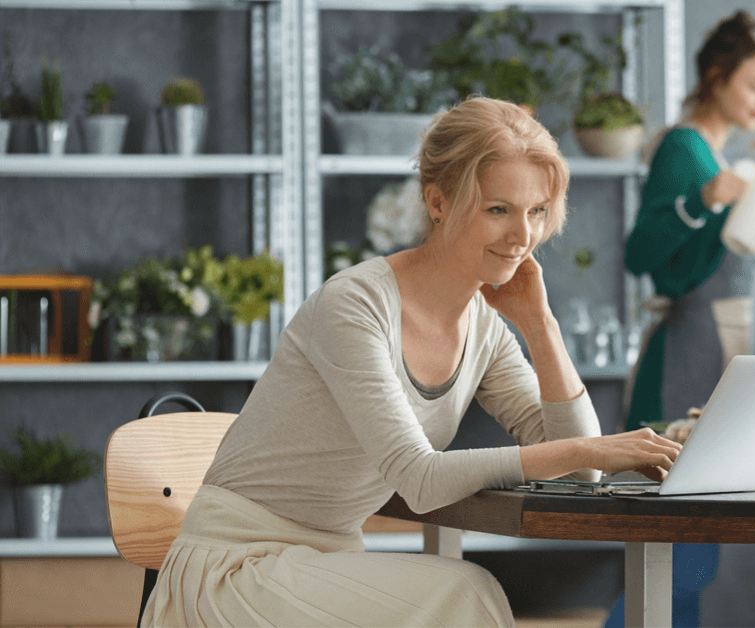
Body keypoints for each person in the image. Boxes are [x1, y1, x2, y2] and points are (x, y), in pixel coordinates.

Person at [139, 96, 683, 628]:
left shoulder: (486, 325)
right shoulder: (354, 304)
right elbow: (419, 478)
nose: (523, 237)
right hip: (233, 572)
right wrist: (589, 447)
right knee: (465, 591)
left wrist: (542, 327)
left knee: (459, 592)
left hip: (324, 567)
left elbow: (582, 472)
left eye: (536, 212)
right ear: (438, 201)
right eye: (499, 209)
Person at [611, 10, 755, 628]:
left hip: (713, 350)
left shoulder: (712, 154)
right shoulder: (685, 148)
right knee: (678, 546)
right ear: (716, 75)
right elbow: (640, 254)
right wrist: (703, 202)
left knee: (689, 548)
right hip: (687, 352)